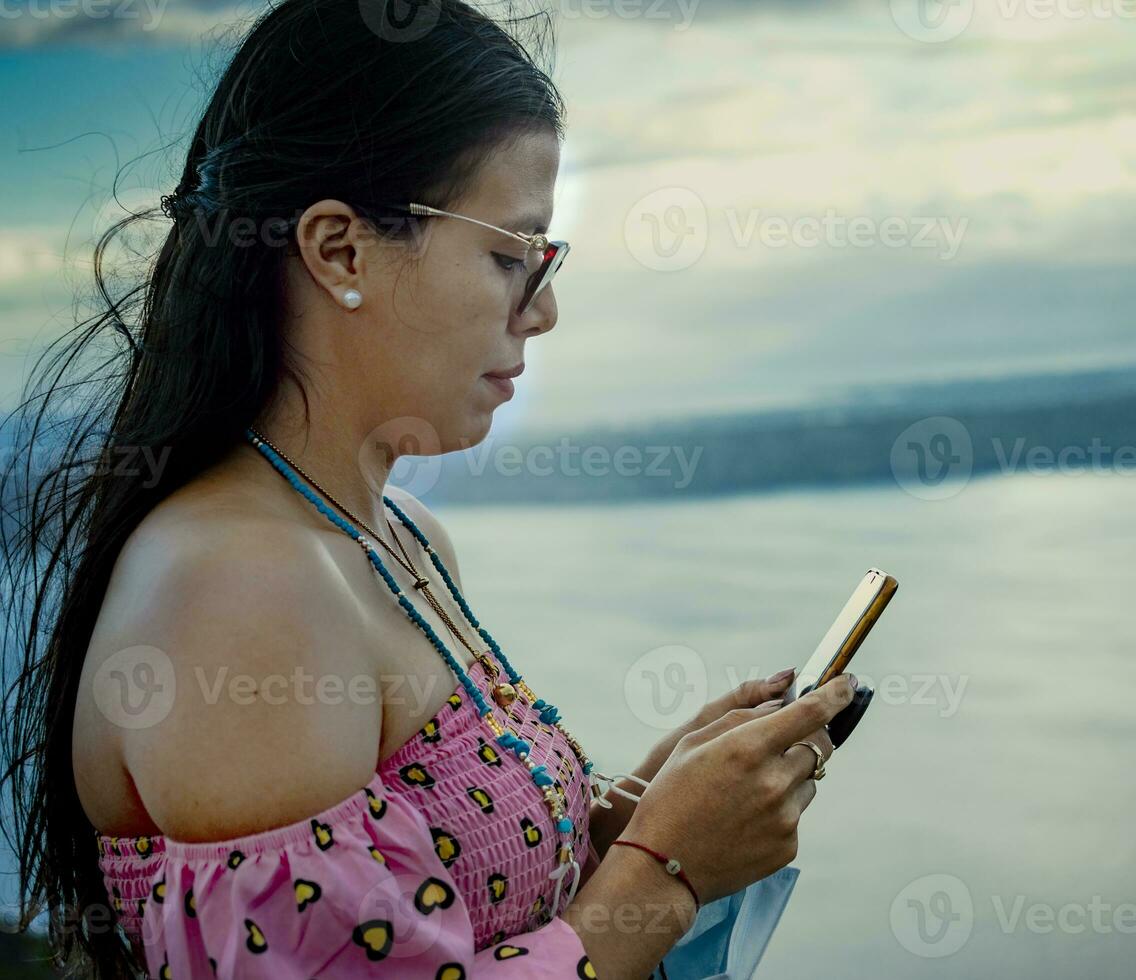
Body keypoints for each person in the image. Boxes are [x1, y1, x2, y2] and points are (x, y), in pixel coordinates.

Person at [0, 2, 853, 976]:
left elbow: (470, 913)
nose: (545, 309)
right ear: (340, 249)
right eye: (508, 254)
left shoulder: (396, 537)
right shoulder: (236, 593)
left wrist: (657, 803)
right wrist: (666, 872)